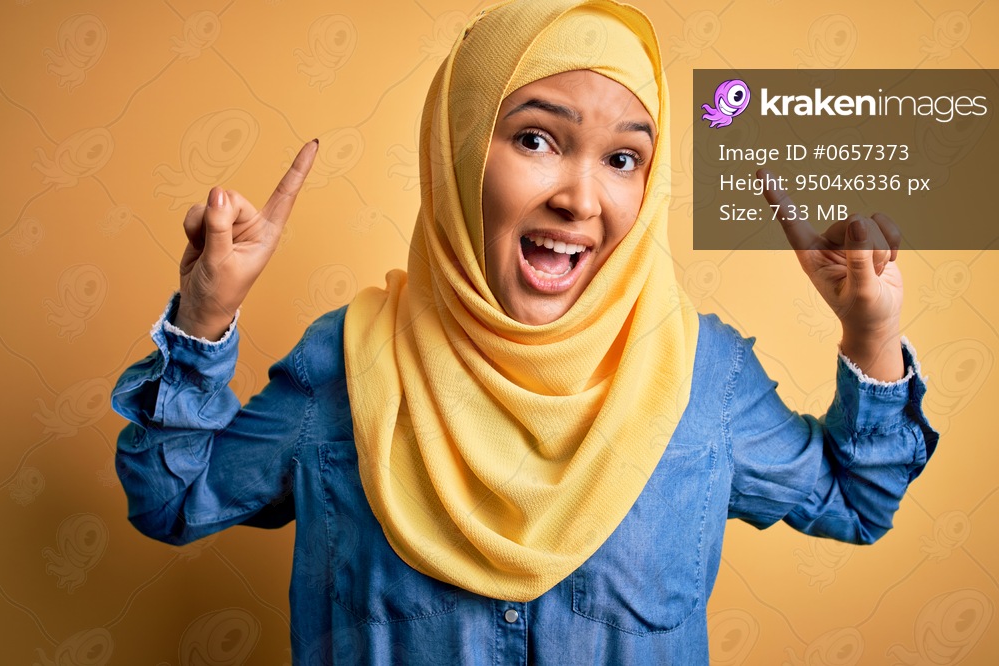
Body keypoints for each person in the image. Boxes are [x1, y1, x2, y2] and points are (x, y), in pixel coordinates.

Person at [111, 0, 938, 662]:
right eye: (537, 139)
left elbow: (858, 503)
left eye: (623, 159)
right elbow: (171, 502)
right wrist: (204, 315)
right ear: (461, 151)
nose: (580, 199)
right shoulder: (346, 365)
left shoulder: (701, 375)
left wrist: (869, 331)